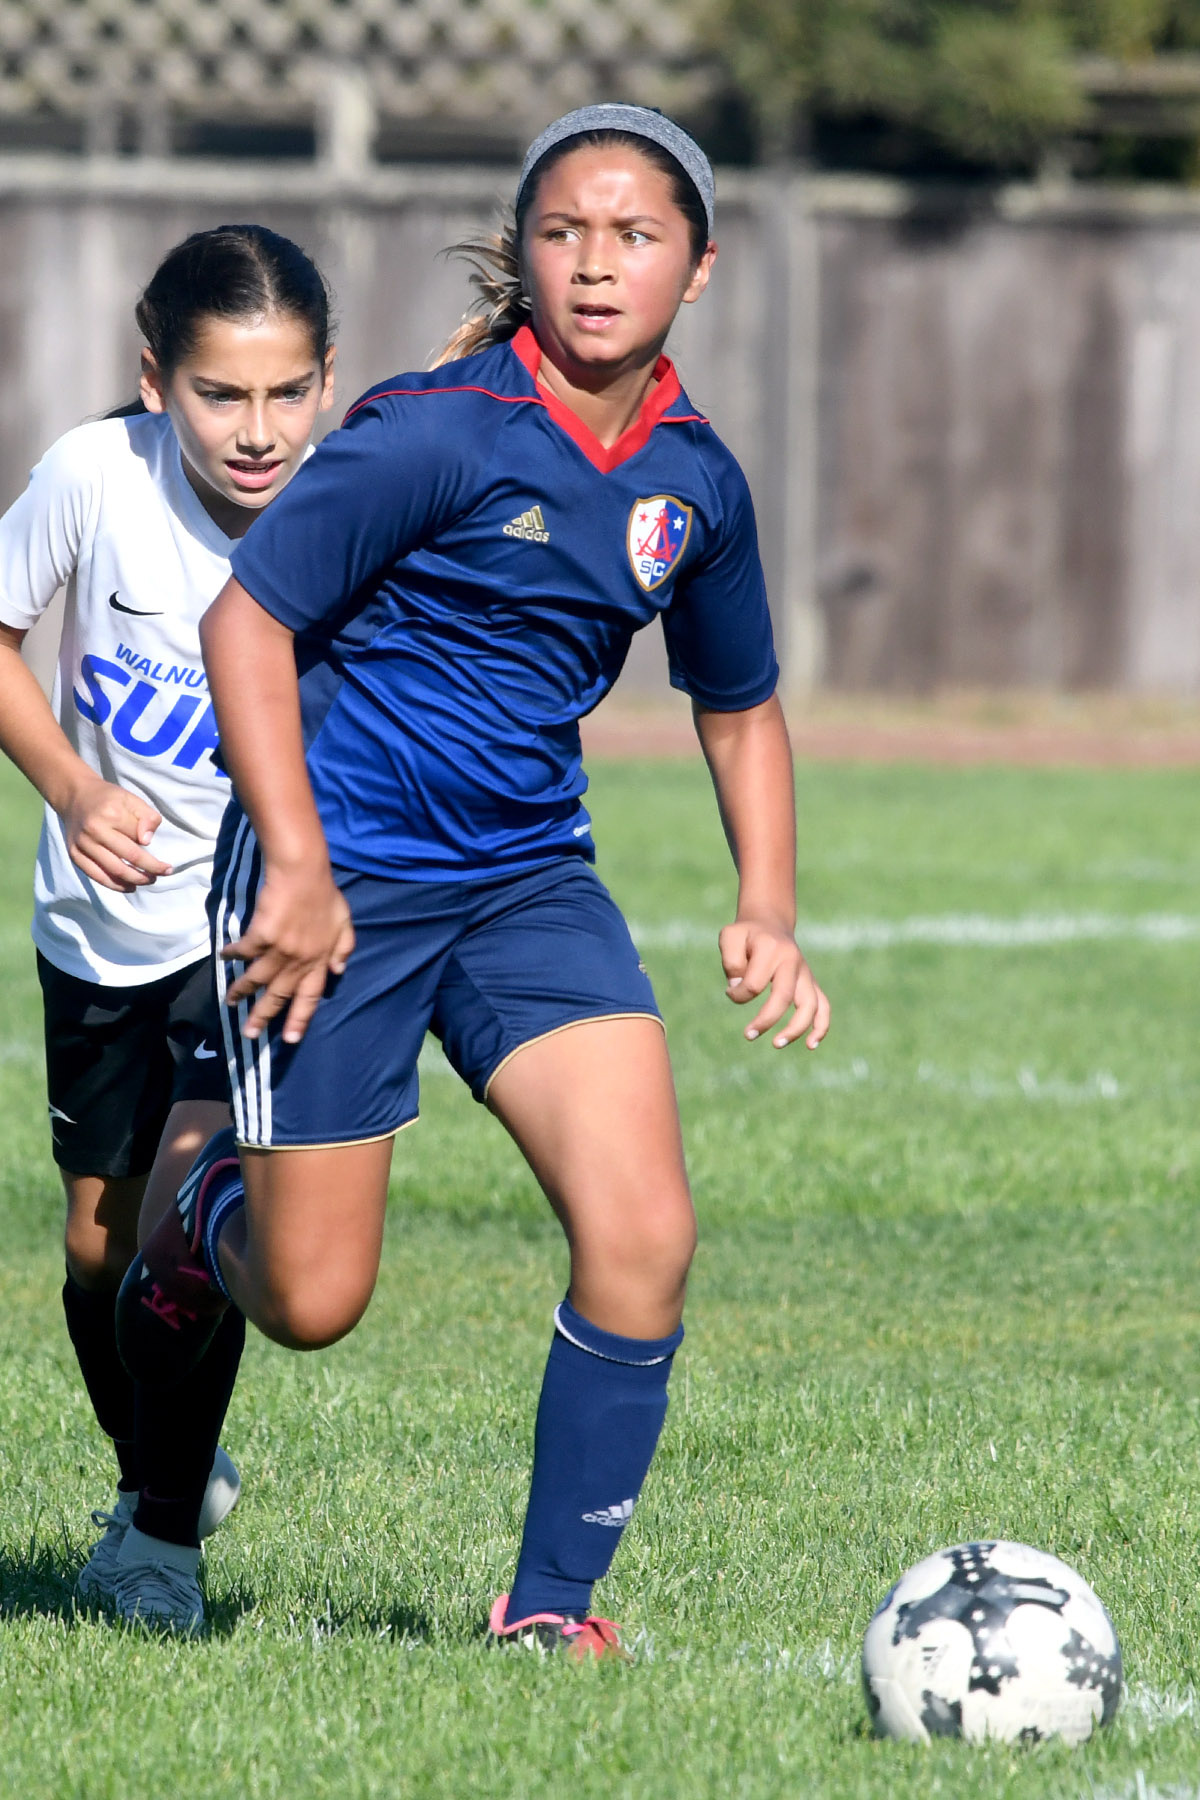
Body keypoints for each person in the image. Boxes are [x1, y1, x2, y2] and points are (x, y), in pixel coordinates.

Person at [117, 105, 830, 1659]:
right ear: (528, 251)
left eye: (637, 235)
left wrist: (766, 902)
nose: (596, 263)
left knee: (644, 1232)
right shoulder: (435, 426)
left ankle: (547, 1614)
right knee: (310, 1303)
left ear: (697, 270)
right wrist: (295, 864)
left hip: (525, 882)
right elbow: (248, 627)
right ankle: (197, 1195)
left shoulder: (694, 483)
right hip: (337, 877)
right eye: (565, 231)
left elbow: (740, 700)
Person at [0, 224, 336, 1632]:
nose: (257, 433)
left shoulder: (356, 500)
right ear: (157, 384)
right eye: (221, 396)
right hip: (97, 926)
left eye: (287, 393)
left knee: (186, 1228)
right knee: (98, 1249)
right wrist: (76, 791)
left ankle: (155, 1549)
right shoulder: (92, 475)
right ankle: (163, 1478)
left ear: (328, 385)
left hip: (249, 925)